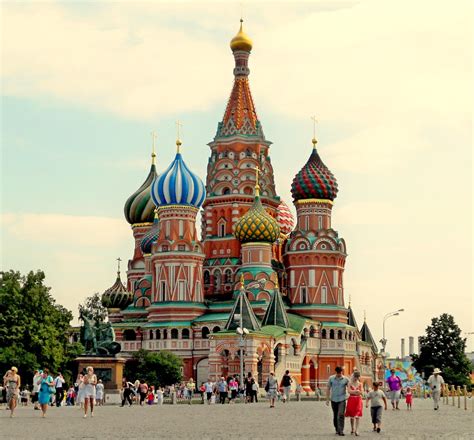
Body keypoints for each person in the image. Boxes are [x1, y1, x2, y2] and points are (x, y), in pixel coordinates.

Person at [326, 366, 349, 436]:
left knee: (341, 414)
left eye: (340, 372)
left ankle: (341, 430)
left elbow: (351, 387)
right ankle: (337, 428)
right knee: (335, 415)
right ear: (336, 372)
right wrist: (327, 399)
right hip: (334, 399)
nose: (339, 374)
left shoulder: (345, 379)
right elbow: (328, 388)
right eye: (338, 373)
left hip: (342, 399)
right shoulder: (331, 378)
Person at [345, 371, 363, 436]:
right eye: (355, 377)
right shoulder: (349, 383)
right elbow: (349, 391)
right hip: (351, 400)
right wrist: (356, 391)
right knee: (352, 416)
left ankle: (357, 430)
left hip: (358, 400)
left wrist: (357, 392)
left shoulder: (360, 384)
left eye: (357, 377)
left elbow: (361, 392)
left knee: (357, 415)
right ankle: (352, 428)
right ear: (353, 376)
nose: (356, 378)